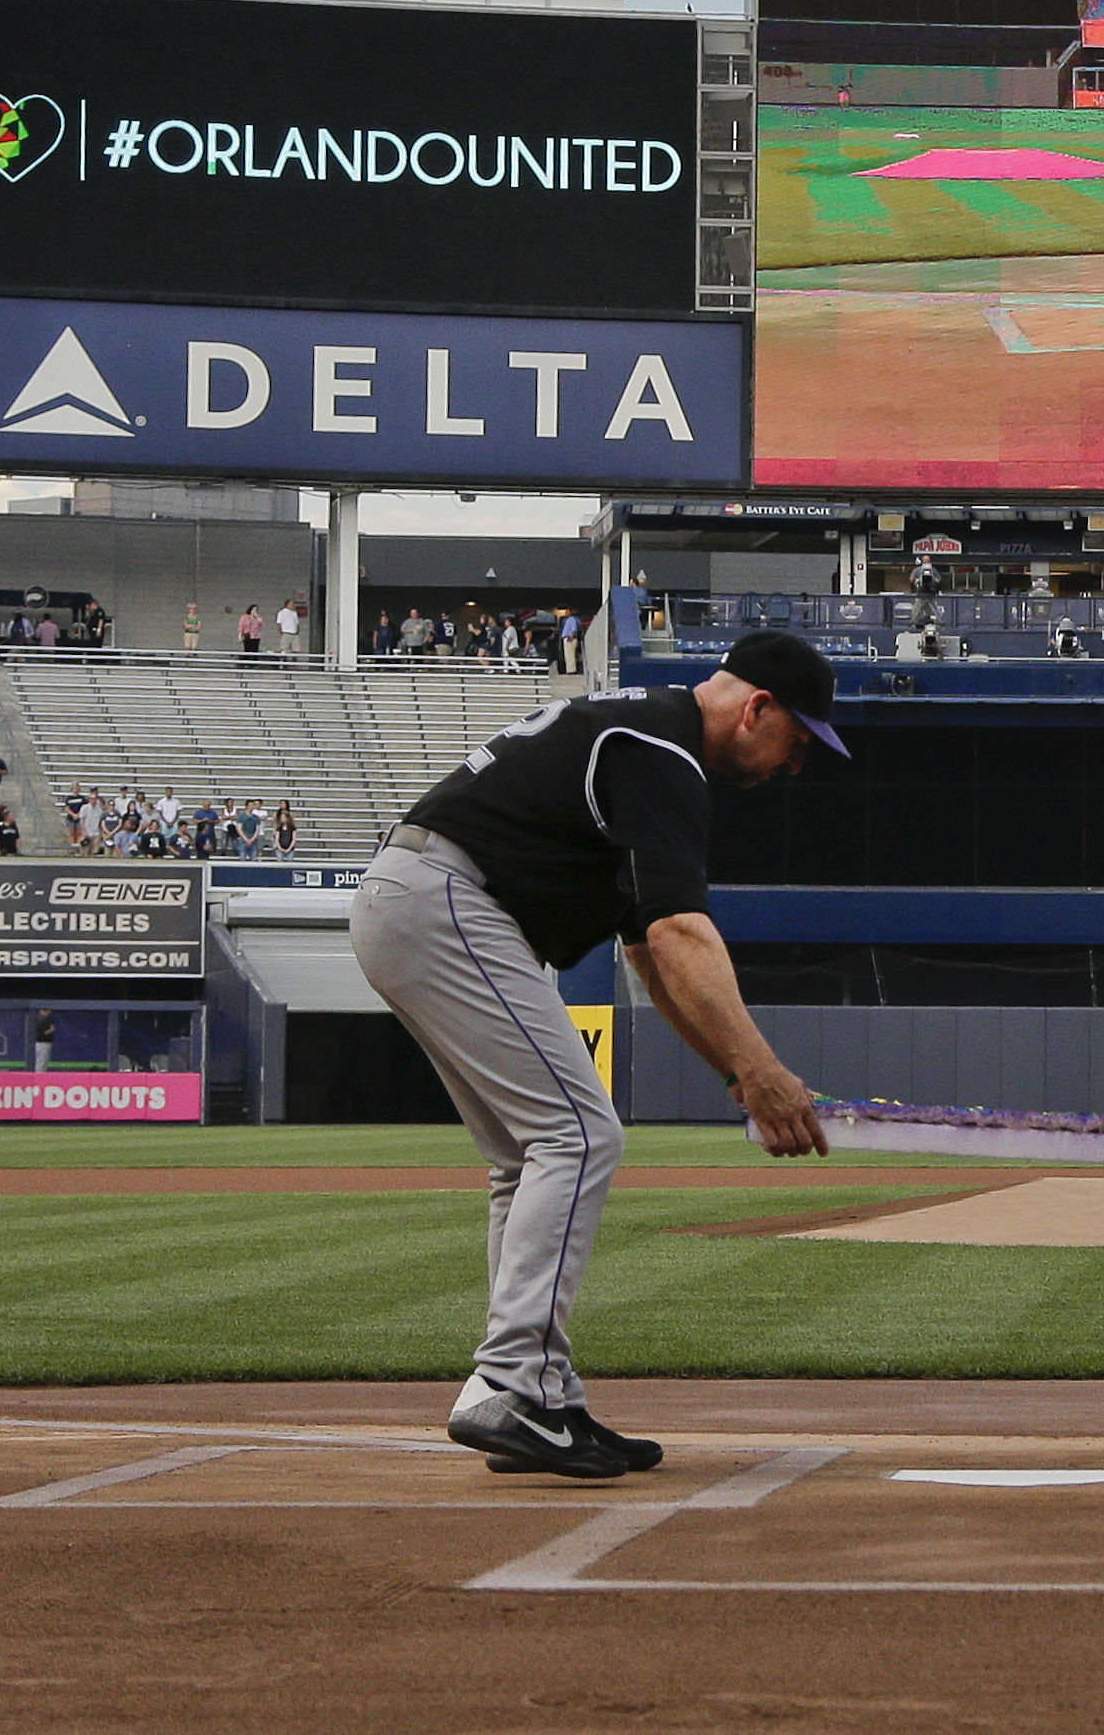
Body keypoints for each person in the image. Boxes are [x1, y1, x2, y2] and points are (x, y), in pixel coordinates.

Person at [350, 630, 838, 1481]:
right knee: (578, 1136)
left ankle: (538, 1394)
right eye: (797, 741)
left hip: (423, 901)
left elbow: (652, 961)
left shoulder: (641, 739)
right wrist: (763, 1071)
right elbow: (680, 932)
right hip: (449, 899)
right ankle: (512, 1387)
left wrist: (734, 1074)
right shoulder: (659, 747)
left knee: (528, 1155)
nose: (793, 765)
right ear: (757, 707)